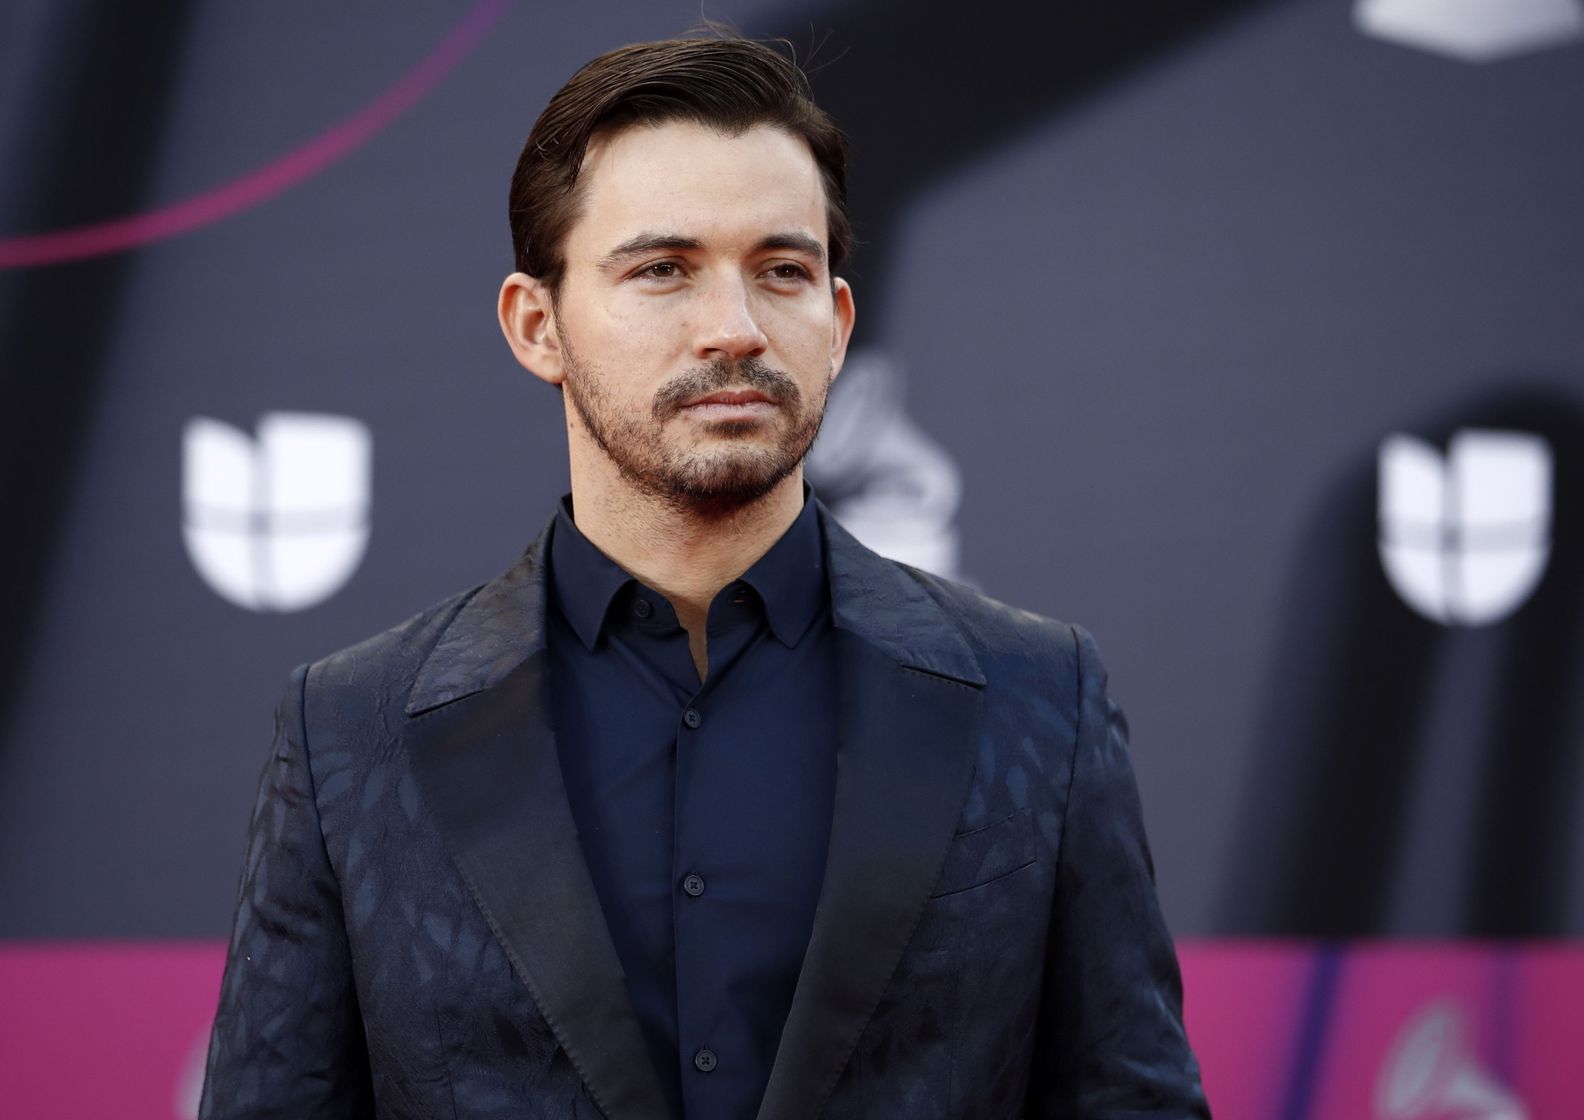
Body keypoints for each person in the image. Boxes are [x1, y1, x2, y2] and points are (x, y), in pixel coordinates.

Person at [200, 34, 1210, 1120]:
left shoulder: (1035, 698)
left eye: (781, 270)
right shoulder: (354, 730)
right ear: (536, 326)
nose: (733, 329)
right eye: (661, 269)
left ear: (836, 325)